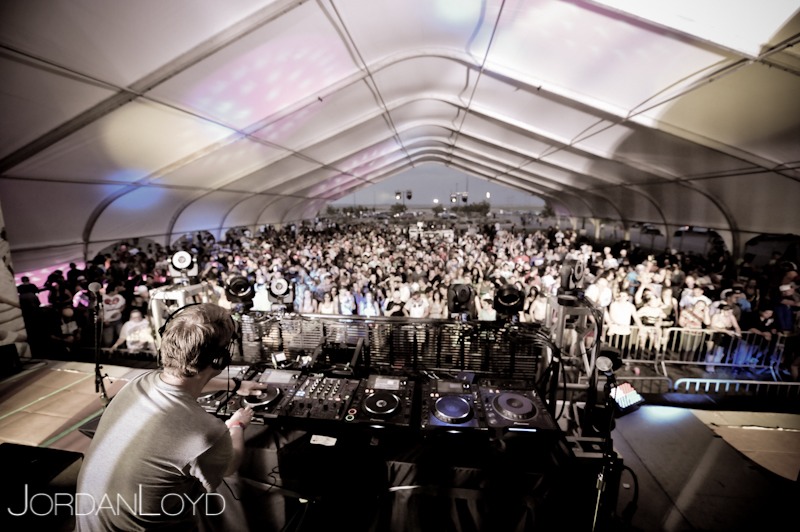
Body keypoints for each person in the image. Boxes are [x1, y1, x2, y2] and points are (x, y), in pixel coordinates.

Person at [75, 303, 268, 530]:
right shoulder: (206, 433)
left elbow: (183, 380)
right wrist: (237, 426)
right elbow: (229, 466)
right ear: (220, 359)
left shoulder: (139, 382)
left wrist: (236, 385)